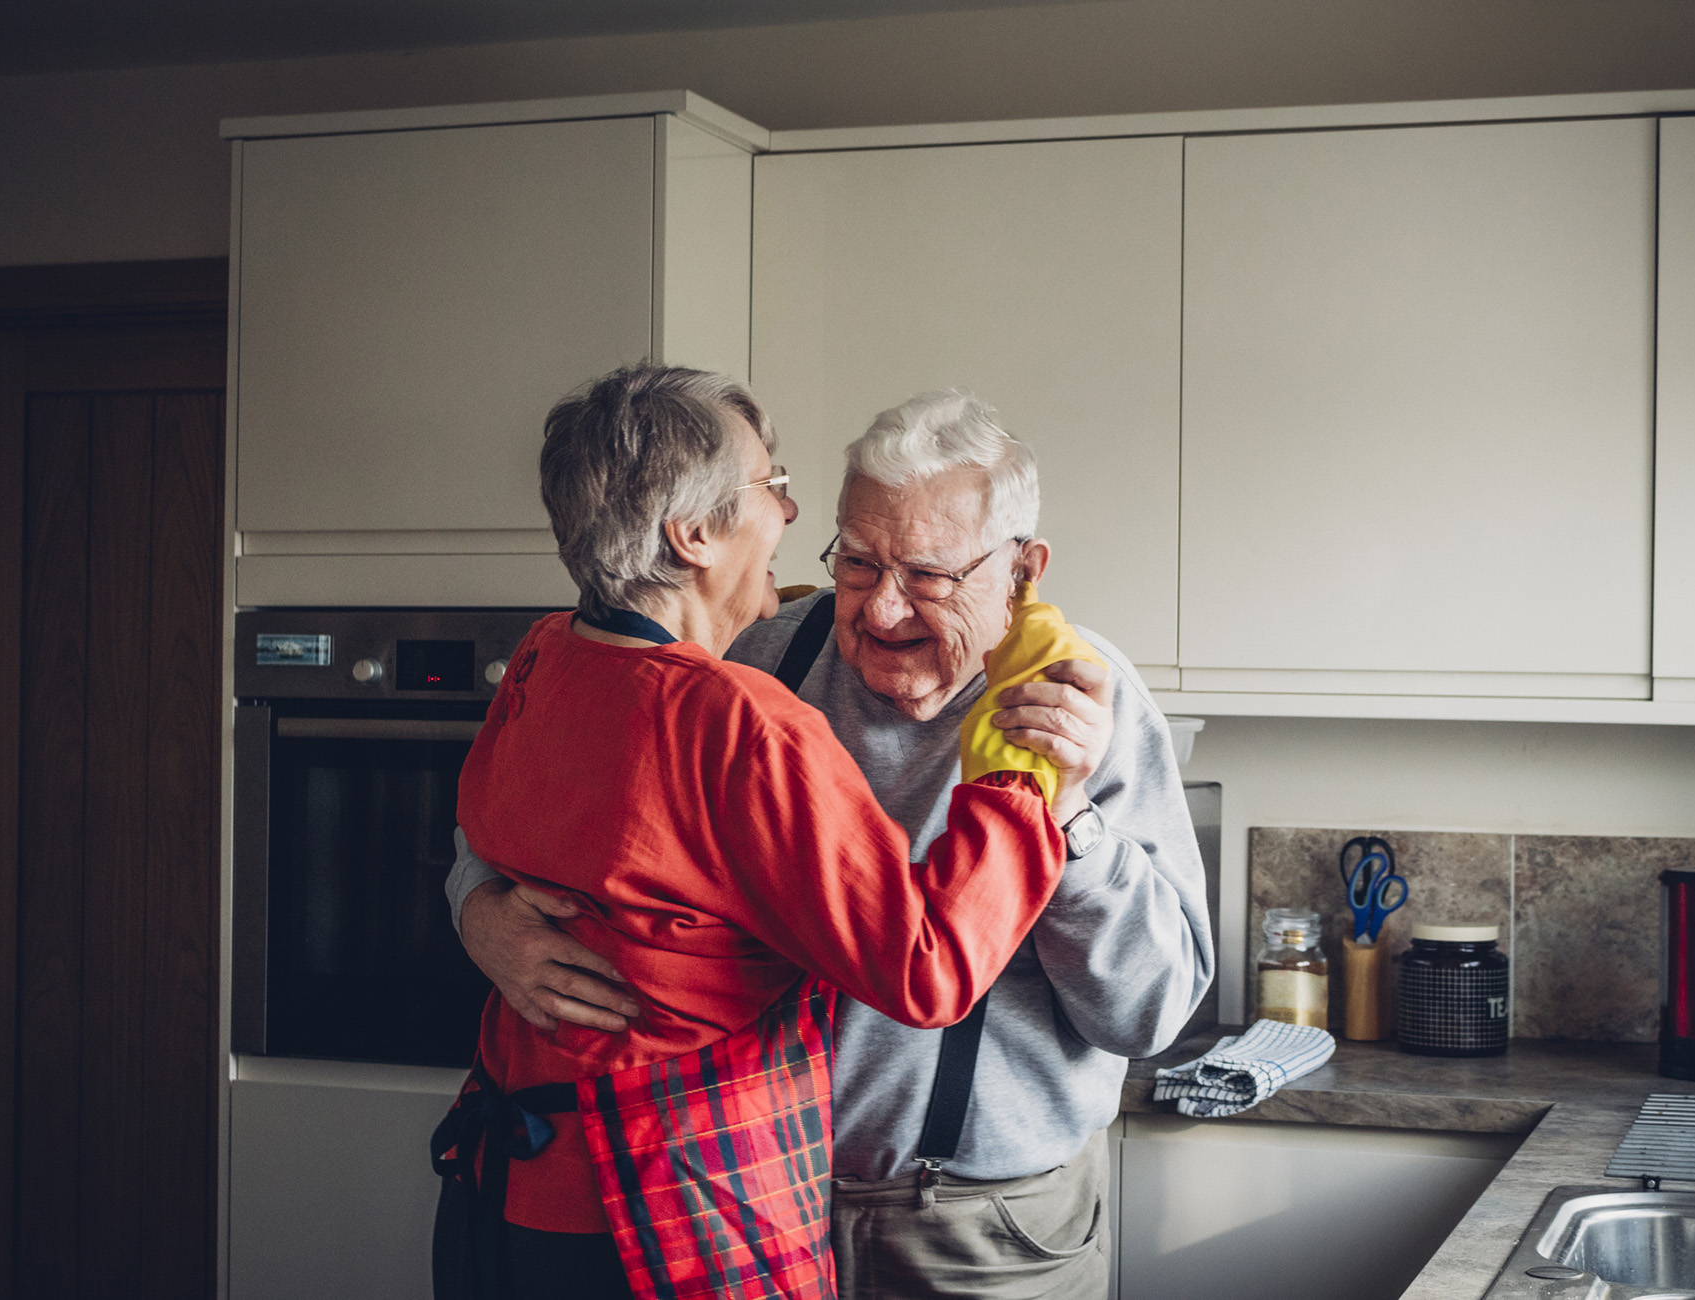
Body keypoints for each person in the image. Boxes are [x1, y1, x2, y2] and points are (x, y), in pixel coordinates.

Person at [451, 390, 1212, 1300]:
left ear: (1022, 568)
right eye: (857, 563)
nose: (884, 610)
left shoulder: (1088, 707)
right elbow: (544, 804)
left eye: (928, 574)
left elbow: (1149, 1016)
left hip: (978, 1234)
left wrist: (1070, 817)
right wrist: (478, 908)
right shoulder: (754, 659)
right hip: (733, 1204)